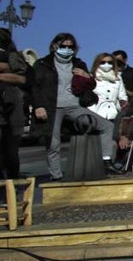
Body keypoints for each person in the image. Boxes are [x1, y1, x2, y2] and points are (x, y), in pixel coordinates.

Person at [31, 33, 120, 179]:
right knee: (54, 144)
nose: (67, 49)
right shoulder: (42, 64)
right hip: (51, 107)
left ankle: (106, 162)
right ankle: (56, 176)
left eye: (70, 47)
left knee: (106, 126)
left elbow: (91, 85)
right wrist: (38, 106)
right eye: (63, 46)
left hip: (74, 106)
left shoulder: (78, 63)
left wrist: (86, 76)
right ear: (55, 46)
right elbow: (34, 86)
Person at [0, 28, 29, 179]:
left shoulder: (13, 57)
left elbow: (24, 79)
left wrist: (4, 71)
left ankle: (11, 184)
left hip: (11, 108)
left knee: (10, 150)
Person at [87, 52, 128, 122]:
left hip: (113, 115)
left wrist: (122, 104)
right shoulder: (91, 77)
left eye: (110, 62)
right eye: (103, 62)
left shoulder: (118, 78)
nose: (107, 64)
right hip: (96, 114)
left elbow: (122, 95)